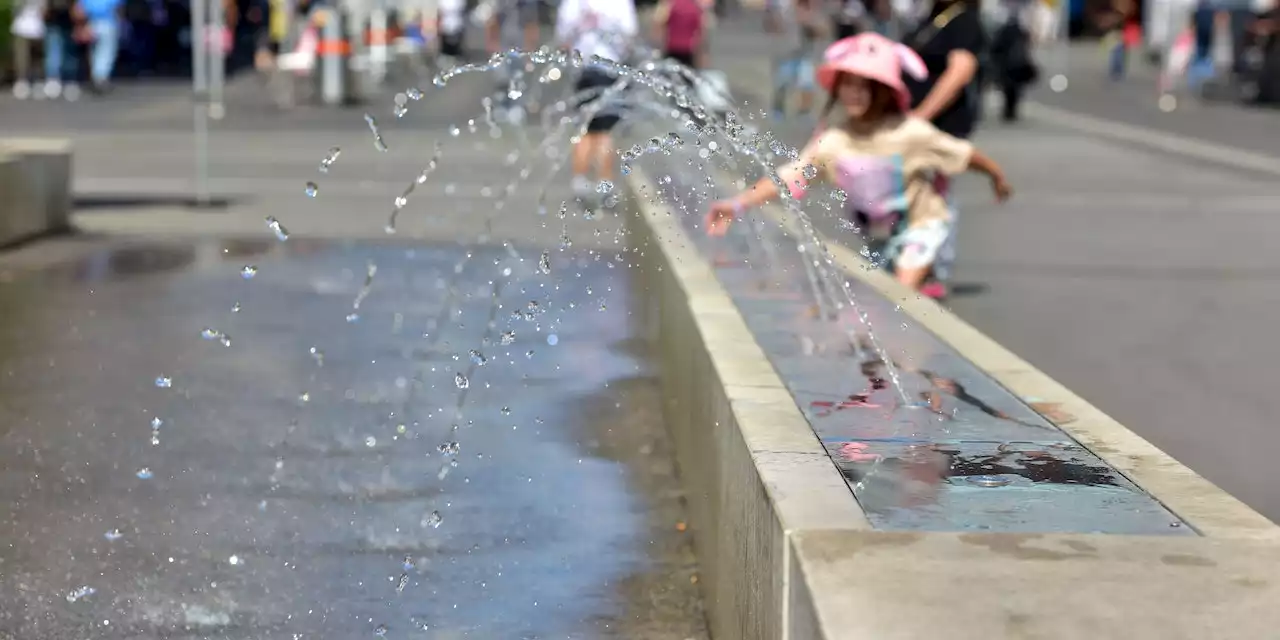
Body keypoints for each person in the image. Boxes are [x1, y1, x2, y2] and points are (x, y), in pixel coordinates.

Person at [704, 33, 1012, 293]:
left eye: (865, 85)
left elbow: (964, 154)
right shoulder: (834, 141)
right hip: (878, 233)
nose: (854, 93)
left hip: (922, 225)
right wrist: (738, 204)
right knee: (882, 298)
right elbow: (790, 176)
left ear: (884, 92)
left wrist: (997, 176)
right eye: (847, 84)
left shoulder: (908, 132)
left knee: (900, 298)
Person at [903, 0, 984, 298]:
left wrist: (921, 115)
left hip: (939, 127)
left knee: (935, 198)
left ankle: (932, 270)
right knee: (915, 195)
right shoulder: (933, 17)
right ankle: (915, 265)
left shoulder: (964, 21)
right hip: (917, 127)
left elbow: (960, 72)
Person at [555, 0, 638, 205]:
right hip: (609, 69)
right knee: (605, 132)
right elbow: (629, 36)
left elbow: (563, 38)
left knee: (585, 129)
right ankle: (604, 184)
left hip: (584, 70)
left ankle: (580, 182)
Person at [768, 0, 823, 120]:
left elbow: (822, 32)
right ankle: (778, 109)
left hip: (804, 56)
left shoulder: (812, 15)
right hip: (786, 56)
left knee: (807, 84)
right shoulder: (785, 13)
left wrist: (809, 23)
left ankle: (804, 112)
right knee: (782, 84)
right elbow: (773, 27)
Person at [43, 0, 84, 99]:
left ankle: (61, 80)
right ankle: (60, 80)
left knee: (63, 52)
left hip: (65, 21)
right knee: (59, 51)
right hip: (58, 20)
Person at [80, 0, 123, 92]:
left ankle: (95, 75)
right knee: (106, 51)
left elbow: (81, 9)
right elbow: (118, 7)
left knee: (94, 52)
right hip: (108, 22)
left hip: (92, 23)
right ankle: (101, 76)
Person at [651, 0, 705, 68]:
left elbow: (661, 24)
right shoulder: (695, 8)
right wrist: (701, 52)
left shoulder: (671, 5)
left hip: (672, 46)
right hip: (688, 48)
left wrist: (657, 45)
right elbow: (700, 30)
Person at [10, 0, 45, 98]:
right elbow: (15, 9)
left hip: (37, 29)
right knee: (22, 58)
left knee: (36, 58)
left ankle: (36, 82)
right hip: (22, 28)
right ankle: (22, 82)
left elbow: (44, 10)